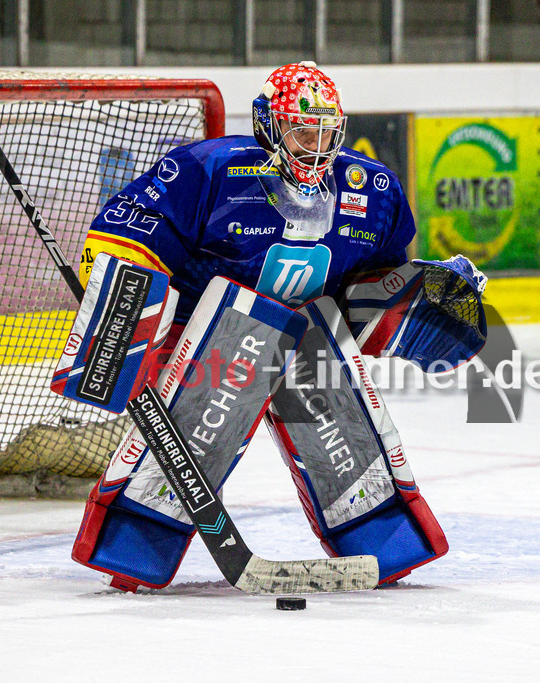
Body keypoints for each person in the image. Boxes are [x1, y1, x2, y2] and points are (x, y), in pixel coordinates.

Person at [70, 62, 480, 591]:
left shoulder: (372, 190)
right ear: (267, 125)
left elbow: (372, 282)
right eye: (302, 131)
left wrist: (413, 297)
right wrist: (124, 325)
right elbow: (124, 237)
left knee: (318, 352)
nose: (316, 145)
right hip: (200, 338)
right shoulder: (208, 171)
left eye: (326, 132)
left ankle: (379, 535)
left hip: (302, 338)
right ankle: (135, 539)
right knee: (248, 335)